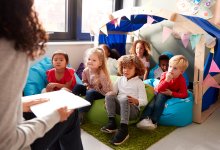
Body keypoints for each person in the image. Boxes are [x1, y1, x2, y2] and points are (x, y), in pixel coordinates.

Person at [0, 0, 83, 149]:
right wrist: (54, 117)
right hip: (15, 143)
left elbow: (72, 84)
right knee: (71, 114)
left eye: (61, 60)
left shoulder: (70, 71)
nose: (57, 62)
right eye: (55, 60)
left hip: (15, 119)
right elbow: (7, 142)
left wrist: (18, 105)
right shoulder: (10, 48)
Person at [100, 54, 148, 145]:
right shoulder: (120, 79)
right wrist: (107, 100)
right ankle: (112, 122)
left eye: (130, 68)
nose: (126, 70)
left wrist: (136, 101)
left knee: (124, 98)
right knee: (110, 94)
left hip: (132, 111)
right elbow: (113, 92)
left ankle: (124, 129)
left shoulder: (139, 83)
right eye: (124, 67)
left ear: (136, 69)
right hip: (121, 107)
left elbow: (144, 101)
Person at [136, 55, 189, 130]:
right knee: (152, 101)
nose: (170, 70)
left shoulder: (181, 80)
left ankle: (154, 121)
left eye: (175, 68)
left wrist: (171, 93)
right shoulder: (164, 74)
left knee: (160, 97)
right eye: (170, 66)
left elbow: (184, 94)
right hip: (160, 91)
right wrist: (167, 80)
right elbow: (158, 89)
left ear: (181, 72)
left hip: (170, 94)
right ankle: (143, 119)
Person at [72, 47, 113, 121]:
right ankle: (70, 104)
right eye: (89, 59)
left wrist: (107, 99)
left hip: (102, 92)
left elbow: (107, 90)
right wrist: (85, 84)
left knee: (91, 92)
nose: (90, 61)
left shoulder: (101, 74)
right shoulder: (85, 71)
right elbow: (84, 81)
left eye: (94, 60)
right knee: (78, 86)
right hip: (90, 89)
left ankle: (81, 113)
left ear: (100, 63)